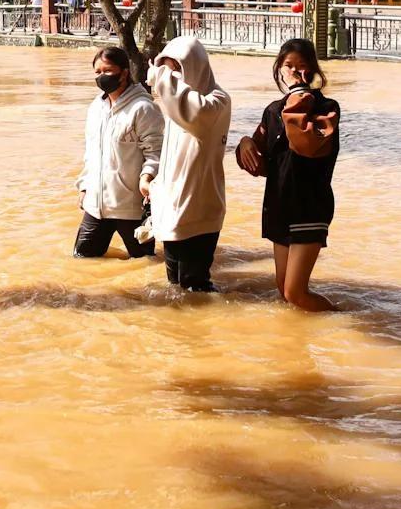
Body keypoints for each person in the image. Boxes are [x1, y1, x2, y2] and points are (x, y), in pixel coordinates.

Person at [236, 38, 340, 311]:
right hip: (280, 204)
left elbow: (305, 144)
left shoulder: (326, 108)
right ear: (279, 69)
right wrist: (245, 142)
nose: (294, 72)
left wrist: (299, 93)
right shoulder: (273, 110)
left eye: (301, 66)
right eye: (288, 66)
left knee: (296, 293)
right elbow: (259, 160)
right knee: (283, 291)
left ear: (313, 71)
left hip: (309, 205)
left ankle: (343, 318)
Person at [148, 35, 231, 292]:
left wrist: (161, 77)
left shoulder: (216, 101)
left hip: (199, 209)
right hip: (172, 207)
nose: (171, 76)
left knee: (195, 287)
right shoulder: (177, 105)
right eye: (167, 69)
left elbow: (196, 113)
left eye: (176, 69)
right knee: (175, 286)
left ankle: (207, 330)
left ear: (195, 66)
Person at [74, 45, 164, 260]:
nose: (102, 76)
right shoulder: (96, 107)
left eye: (107, 71)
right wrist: (85, 186)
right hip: (96, 206)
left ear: (124, 72)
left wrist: (147, 178)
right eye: (97, 72)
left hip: (132, 207)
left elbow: (156, 153)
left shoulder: (143, 108)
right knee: (82, 259)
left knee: (145, 265)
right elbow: (91, 152)